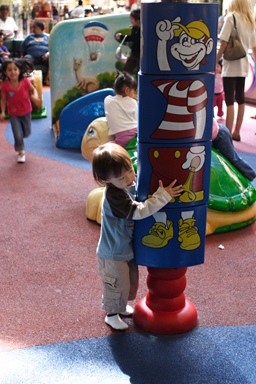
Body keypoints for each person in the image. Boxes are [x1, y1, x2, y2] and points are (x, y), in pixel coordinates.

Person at [92, 143, 183, 330]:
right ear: (105, 179)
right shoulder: (113, 195)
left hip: (125, 249)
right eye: (120, 177)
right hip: (113, 252)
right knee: (116, 284)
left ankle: (120, 306)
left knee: (129, 282)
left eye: (130, 171)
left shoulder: (125, 187)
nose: (128, 179)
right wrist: (162, 196)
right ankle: (111, 314)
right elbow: (138, 211)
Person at [217, 0, 256, 141]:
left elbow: (224, 43)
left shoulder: (231, 18)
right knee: (241, 98)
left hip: (230, 65)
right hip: (244, 65)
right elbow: (254, 48)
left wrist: (215, 61)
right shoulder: (250, 21)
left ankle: (226, 134)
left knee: (229, 100)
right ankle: (237, 131)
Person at [0, 58, 40, 163]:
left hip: (26, 111)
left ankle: (22, 139)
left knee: (26, 133)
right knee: (17, 134)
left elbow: (33, 89)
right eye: (9, 70)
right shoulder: (4, 86)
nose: (13, 72)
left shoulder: (25, 81)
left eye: (15, 69)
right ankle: (21, 151)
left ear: (19, 71)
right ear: (5, 72)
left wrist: (35, 97)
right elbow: (3, 99)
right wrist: (3, 112)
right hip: (14, 114)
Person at [104, 73, 138, 149]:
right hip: (133, 135)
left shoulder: (107, 100)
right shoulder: (132, 102)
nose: (134, 94)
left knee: (98, 151)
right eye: (134, 91)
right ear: (127, 90)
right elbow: (137, 120)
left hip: (122, 138)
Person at [19, 20, 50, 85]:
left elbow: (53, 48)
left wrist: (48, 53)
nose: (33, 29)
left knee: (52, 59)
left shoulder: (48, 37)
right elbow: (22, 49)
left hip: (44, 57)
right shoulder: (29, 37)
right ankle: (29, 81)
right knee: (27, 59)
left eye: (35, 28)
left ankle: (46, 79)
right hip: (32, 56)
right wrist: (21, 58)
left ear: (40, 29)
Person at [116, 8, 140, 75]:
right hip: (134, 53)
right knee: (126, 71)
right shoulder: (134, 28)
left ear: (138, 20)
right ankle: (126, 84)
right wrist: (122, 36)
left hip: (141, 55)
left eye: (132, 19)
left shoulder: (144, 30)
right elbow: (132, 38)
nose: (130, 20)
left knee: (140, 72)